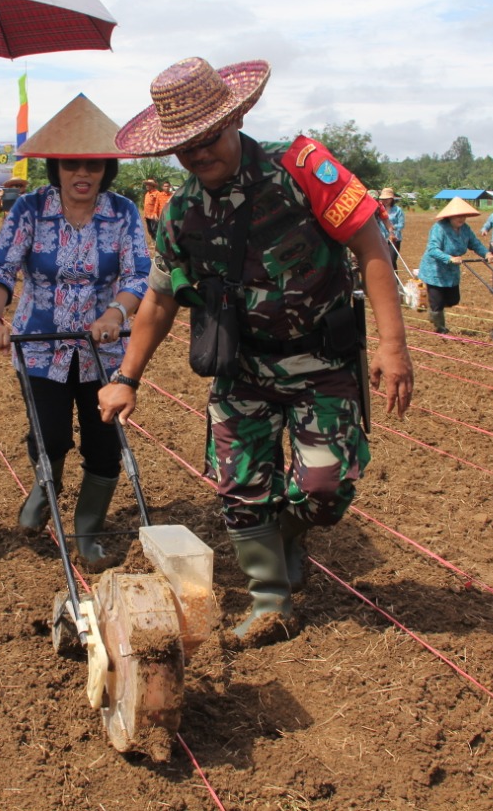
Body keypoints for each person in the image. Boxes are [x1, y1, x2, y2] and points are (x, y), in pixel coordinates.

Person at [100, 57, 414, 643]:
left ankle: (291, 531)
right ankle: (271, 600)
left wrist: (393, 346)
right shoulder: (180, 213)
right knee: (240, 488)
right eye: (185, 147)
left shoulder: (301, 170)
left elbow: (370, 242)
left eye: (208, 138)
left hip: (321, 359)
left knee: (326, 489)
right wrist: (127, 376)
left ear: (236, 117)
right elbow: (159, 300)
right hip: (241, 365)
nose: (198, 155)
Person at [0, 95, 150, 569]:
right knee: (50, 438)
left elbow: (139, 275)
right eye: (73, 164)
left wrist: (116, 313)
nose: (83, 174)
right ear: (56, 166)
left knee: (104, 443)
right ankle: (42, 486)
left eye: (93, 166)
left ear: (105, 170)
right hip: (39, 348)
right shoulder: (30, 210)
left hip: (104, 351)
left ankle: (88, 531)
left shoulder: (123, 213)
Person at [418, 198, 493, 335]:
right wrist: (449, 258)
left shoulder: (465, 229)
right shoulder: (439, 228)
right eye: (458, 216)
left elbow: (475, 243)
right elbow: (432, 249)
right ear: (450, 216)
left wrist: (487, 254)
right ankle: (439, 328)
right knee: (438, 303)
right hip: (435, 270)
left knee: (453, 299)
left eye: (463, 215)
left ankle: (434, 310)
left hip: (452, 270)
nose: (461, 218)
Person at [377, 187, 405, 269]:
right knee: (383, 261)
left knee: (392, 260)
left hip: (394, 239)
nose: (385, 201)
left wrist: (392, 228)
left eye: (387, 199)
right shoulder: (379, 210)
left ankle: (395, 281)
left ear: (392, 199)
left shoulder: (398, 210)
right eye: (383, 199)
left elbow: (401, 225)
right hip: (382, 239)